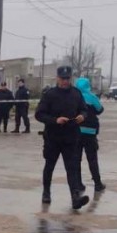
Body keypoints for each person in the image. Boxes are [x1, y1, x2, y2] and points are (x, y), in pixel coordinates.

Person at [34, 66, 90, 210]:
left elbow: (84, 109)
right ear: (58, 78)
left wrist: (82, 116)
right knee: (49, 166)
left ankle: (75, 197)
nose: (65, 81)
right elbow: (39, 114)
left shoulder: (76, 93)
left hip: (71, 137)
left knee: (71, 168)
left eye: (67, 78)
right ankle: (46, 192)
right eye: (63, 78)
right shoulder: (50, 94)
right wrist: (55, 120)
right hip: (53, 137)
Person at [75, 77, 106, 192]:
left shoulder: (74, 97)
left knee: (76, 159)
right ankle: (98, 184)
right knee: (92, 158)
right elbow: (100, 110)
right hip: (90, 133)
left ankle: (78, 184)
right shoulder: (92, 97)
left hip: (76, 132)